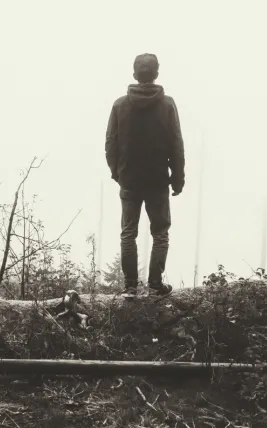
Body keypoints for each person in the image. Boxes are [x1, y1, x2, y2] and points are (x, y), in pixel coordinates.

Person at [104, 53, 185, 299]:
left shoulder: (119, 105)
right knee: (160, 233)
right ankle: (154, 286)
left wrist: (117, 173)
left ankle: (130, 287)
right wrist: (178, 177)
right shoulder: (168, 104)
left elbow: (110, 144)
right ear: (156, 73)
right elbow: (176, 144)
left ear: (134, 74)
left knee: (128, 232)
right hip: (158, 180)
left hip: (129, 179)